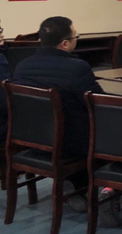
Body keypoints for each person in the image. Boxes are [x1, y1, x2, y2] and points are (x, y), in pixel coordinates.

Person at [12, 16, 104, 212]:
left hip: (30, 140)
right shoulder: (77, 68)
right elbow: (98, 103)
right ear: (64, 43)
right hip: (67, 145)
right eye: (75, 37)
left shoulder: (22, 66)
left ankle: (73, 184)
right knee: (106, 131)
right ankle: (96, 190)